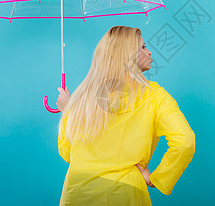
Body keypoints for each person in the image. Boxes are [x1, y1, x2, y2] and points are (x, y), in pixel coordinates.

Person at [55, 25, 195, 205]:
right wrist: (157, 178)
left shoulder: (84, 97)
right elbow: (185, 141)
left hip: (78, 193)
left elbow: (68, 154)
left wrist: (68, 111)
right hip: (125, 195)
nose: (150, 52)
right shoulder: (155, 97)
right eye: (143, 47)